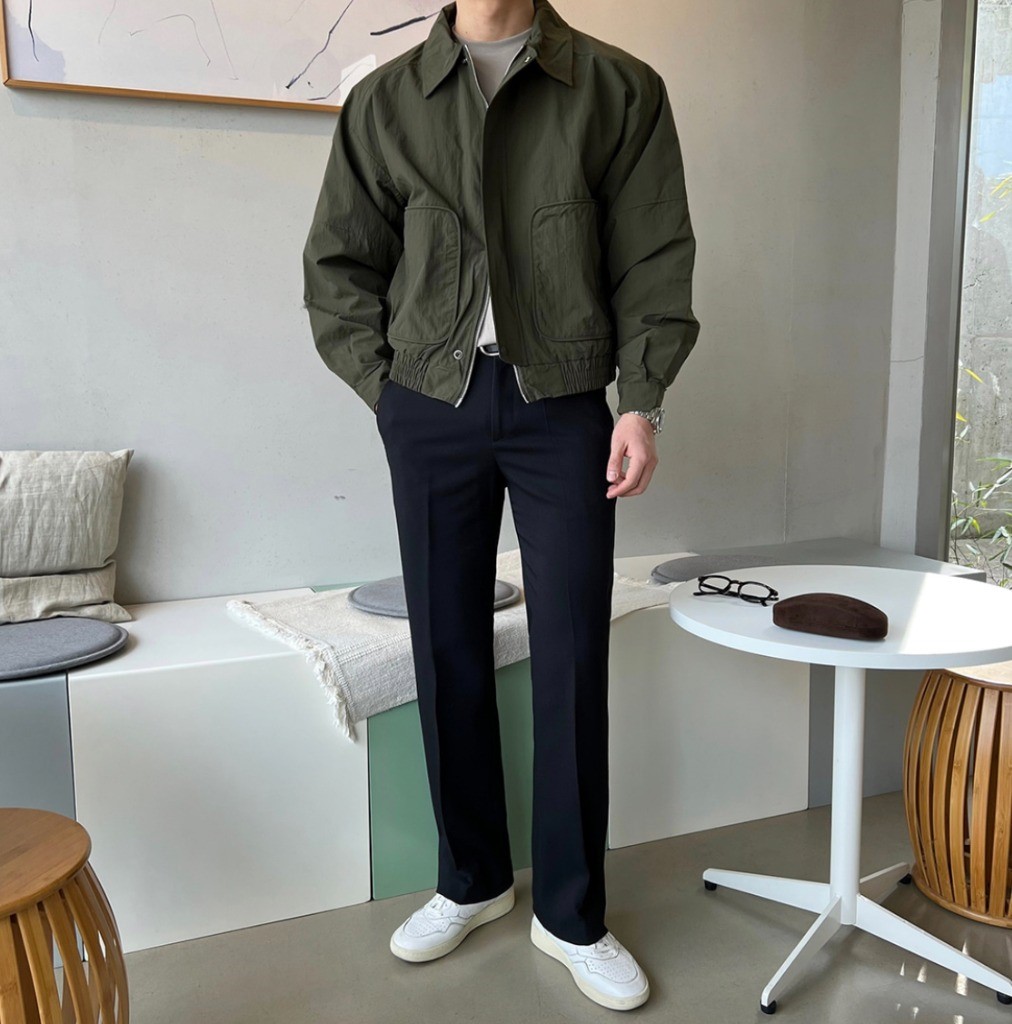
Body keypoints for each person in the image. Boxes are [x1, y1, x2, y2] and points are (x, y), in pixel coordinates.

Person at [302, 0, 699, 1011]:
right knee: (445, 645)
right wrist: (385, 391)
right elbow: (338, 264)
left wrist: (641, 400)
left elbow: (653, 251)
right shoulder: (385, 99)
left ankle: (571, 914)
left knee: (572, 651)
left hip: (563, 403)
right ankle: (471, 879)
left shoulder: (617, 87)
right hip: (428, 403)